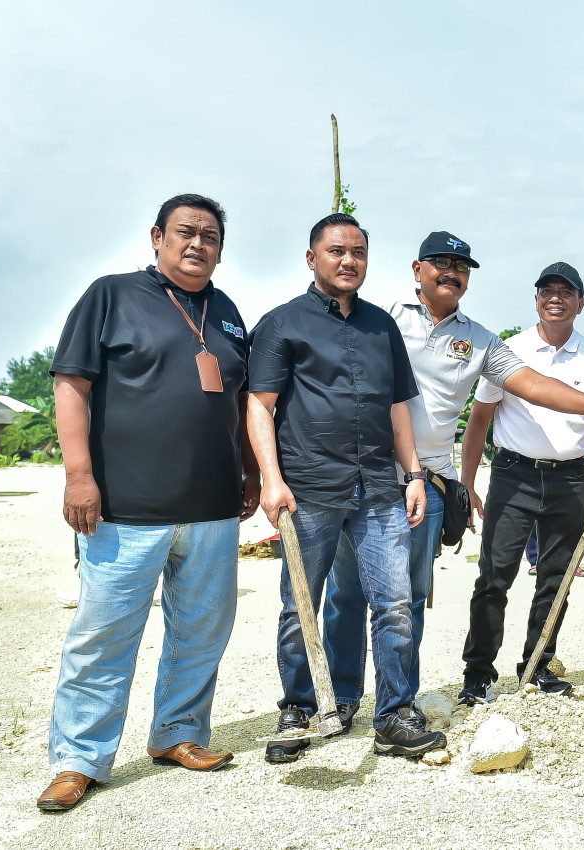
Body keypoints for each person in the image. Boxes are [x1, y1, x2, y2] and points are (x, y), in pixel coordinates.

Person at [321, 232, 584, 716]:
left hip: (434, 481)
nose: (451, 272)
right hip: (370, 473)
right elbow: (477, 421)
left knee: (411, 597)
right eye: (440, 263)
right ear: (417, 269)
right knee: (351, 593)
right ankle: (347, 698)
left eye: (461, 267)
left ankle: (401, 703)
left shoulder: (484, 342)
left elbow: (534, 384)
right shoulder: (381, 316)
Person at [39, 194, 258, 811]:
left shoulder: (227, 312)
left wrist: (248, 472)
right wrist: (79, 476)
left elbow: (241, 400)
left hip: (213, 508)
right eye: (186, 232)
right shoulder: (110, 295)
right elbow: (71, 383)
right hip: (125, 509)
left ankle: (178, 733)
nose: (197, 244)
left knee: (202, 631)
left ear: (221, 251)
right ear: (157, 237)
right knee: (103, 638)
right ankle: (79, 760)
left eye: (210, 237)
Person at [247, 213, 443, 762]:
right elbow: (259, 406)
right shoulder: (282, 324)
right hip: (309, 489)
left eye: (358, 252)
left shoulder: (382, 327)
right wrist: (271, 481)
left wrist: (414, 474)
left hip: (379, 488)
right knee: (300, 605)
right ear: (313, 258)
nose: (348, 260)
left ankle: (394, 714)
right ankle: (300, 709)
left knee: (395, 604)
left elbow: (398, 407)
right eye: (337, 251)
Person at [457, 262, 584, 704]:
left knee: (557, 578)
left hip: (570, 478)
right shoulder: (509, 350)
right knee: (494, 576)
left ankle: (537, 665)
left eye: (566, 292)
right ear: (536, 299)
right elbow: (478, 422)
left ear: (581, 302)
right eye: (547, 291)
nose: (556, 298)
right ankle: (478, 672)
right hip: (512, 475)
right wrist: (467, 484)